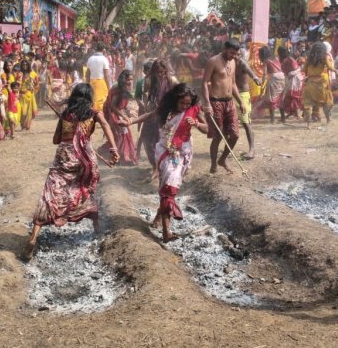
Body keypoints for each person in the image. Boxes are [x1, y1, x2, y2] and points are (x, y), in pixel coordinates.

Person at [20, 83, 119, 261]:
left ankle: (33, 237)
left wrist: (67, 128)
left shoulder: (66, 114)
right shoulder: (94, 113)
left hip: (64, 157)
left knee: (50, 193)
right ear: (89, 98)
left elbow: (56, 140)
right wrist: (114, 149)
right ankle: (98, 230)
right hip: (85, 159)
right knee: (84, 190)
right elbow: (106, 126)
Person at [124, 83, 208, 242]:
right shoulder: (165, 110)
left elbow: (207, 129)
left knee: (166, 189)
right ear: (174, 100)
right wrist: (131, 122)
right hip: (164, 153)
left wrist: (196, 123)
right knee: (168, 190)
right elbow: (149, 115)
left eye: (187, 104)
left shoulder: (194, 110)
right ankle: (166, 232)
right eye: (182, 103)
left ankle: (158, 217)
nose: (185, 106)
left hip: (182, 155)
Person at [202, 39, 245, 173]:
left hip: (229, 102)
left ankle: (222, 159)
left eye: (236, 54)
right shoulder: (213, 61)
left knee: (235, 135)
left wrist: (241, 101)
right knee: (218, 136)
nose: (234, 56)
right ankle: (214, 164)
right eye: (232, 53)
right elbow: (204, 83)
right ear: (224, 49)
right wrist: (207, 104)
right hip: (215, 102)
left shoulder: (233, 62)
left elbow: (232, 84)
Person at [99, 70, 138, 165]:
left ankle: (121, 156)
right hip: (112, 113)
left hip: (118, 112)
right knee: (121, 134)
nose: (130, 82)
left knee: (122, 134)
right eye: (128, 79)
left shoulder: (125, 88)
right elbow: (112, 106)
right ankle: (122, 157)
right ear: (123, 80)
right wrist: (124, 116)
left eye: (132, 79)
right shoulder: (117, 89)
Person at [302, 42, 335, 129]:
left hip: (310, 83)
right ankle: (328, 120)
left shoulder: (309, 59)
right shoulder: (324, 57)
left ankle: (308, 124)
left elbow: (304, 70)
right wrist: (336, 70)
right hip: (322, 83)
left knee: (308, 104)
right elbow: (330, 67)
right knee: (325, 102)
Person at [234, 53, 261, 159]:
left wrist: (255, 78)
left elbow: (252, 73)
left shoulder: (242, 64)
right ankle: (229, 148)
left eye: (238, 54)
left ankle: (252, 150)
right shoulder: (229, 63)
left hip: (243, 96)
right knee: (230, 122)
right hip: (232, 95)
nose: (236, 56)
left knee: (246, 123)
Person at [261, 47, 287, 123]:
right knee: (280, 98)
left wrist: (262, 84)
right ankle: (283, 118)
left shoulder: (266, 61)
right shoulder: (275, 58)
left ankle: (272, 120)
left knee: (271, 98)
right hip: (282, 76)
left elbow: (265, 74)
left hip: (274, 78)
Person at [86, 42, 111, 111]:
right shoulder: (104, 59)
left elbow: (87, 74)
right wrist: (109, 87)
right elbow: (106, 75)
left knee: (92, 101)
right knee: (101, 103)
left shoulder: (90, 59)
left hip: (92, 82)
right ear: (103, 50)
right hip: (101, 83)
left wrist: (87, 84)